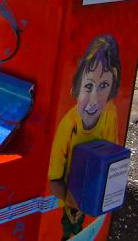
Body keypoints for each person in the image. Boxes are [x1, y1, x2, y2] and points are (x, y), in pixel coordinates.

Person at [48, 35, 121, 239]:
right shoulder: (67, 126)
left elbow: (111, 159)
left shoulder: (111, 113)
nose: (94, 100)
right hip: (69, 203)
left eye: (104, 86)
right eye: (88, 87)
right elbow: (54, 180)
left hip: (89, 201)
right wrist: (75, 201)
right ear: (76, 88)